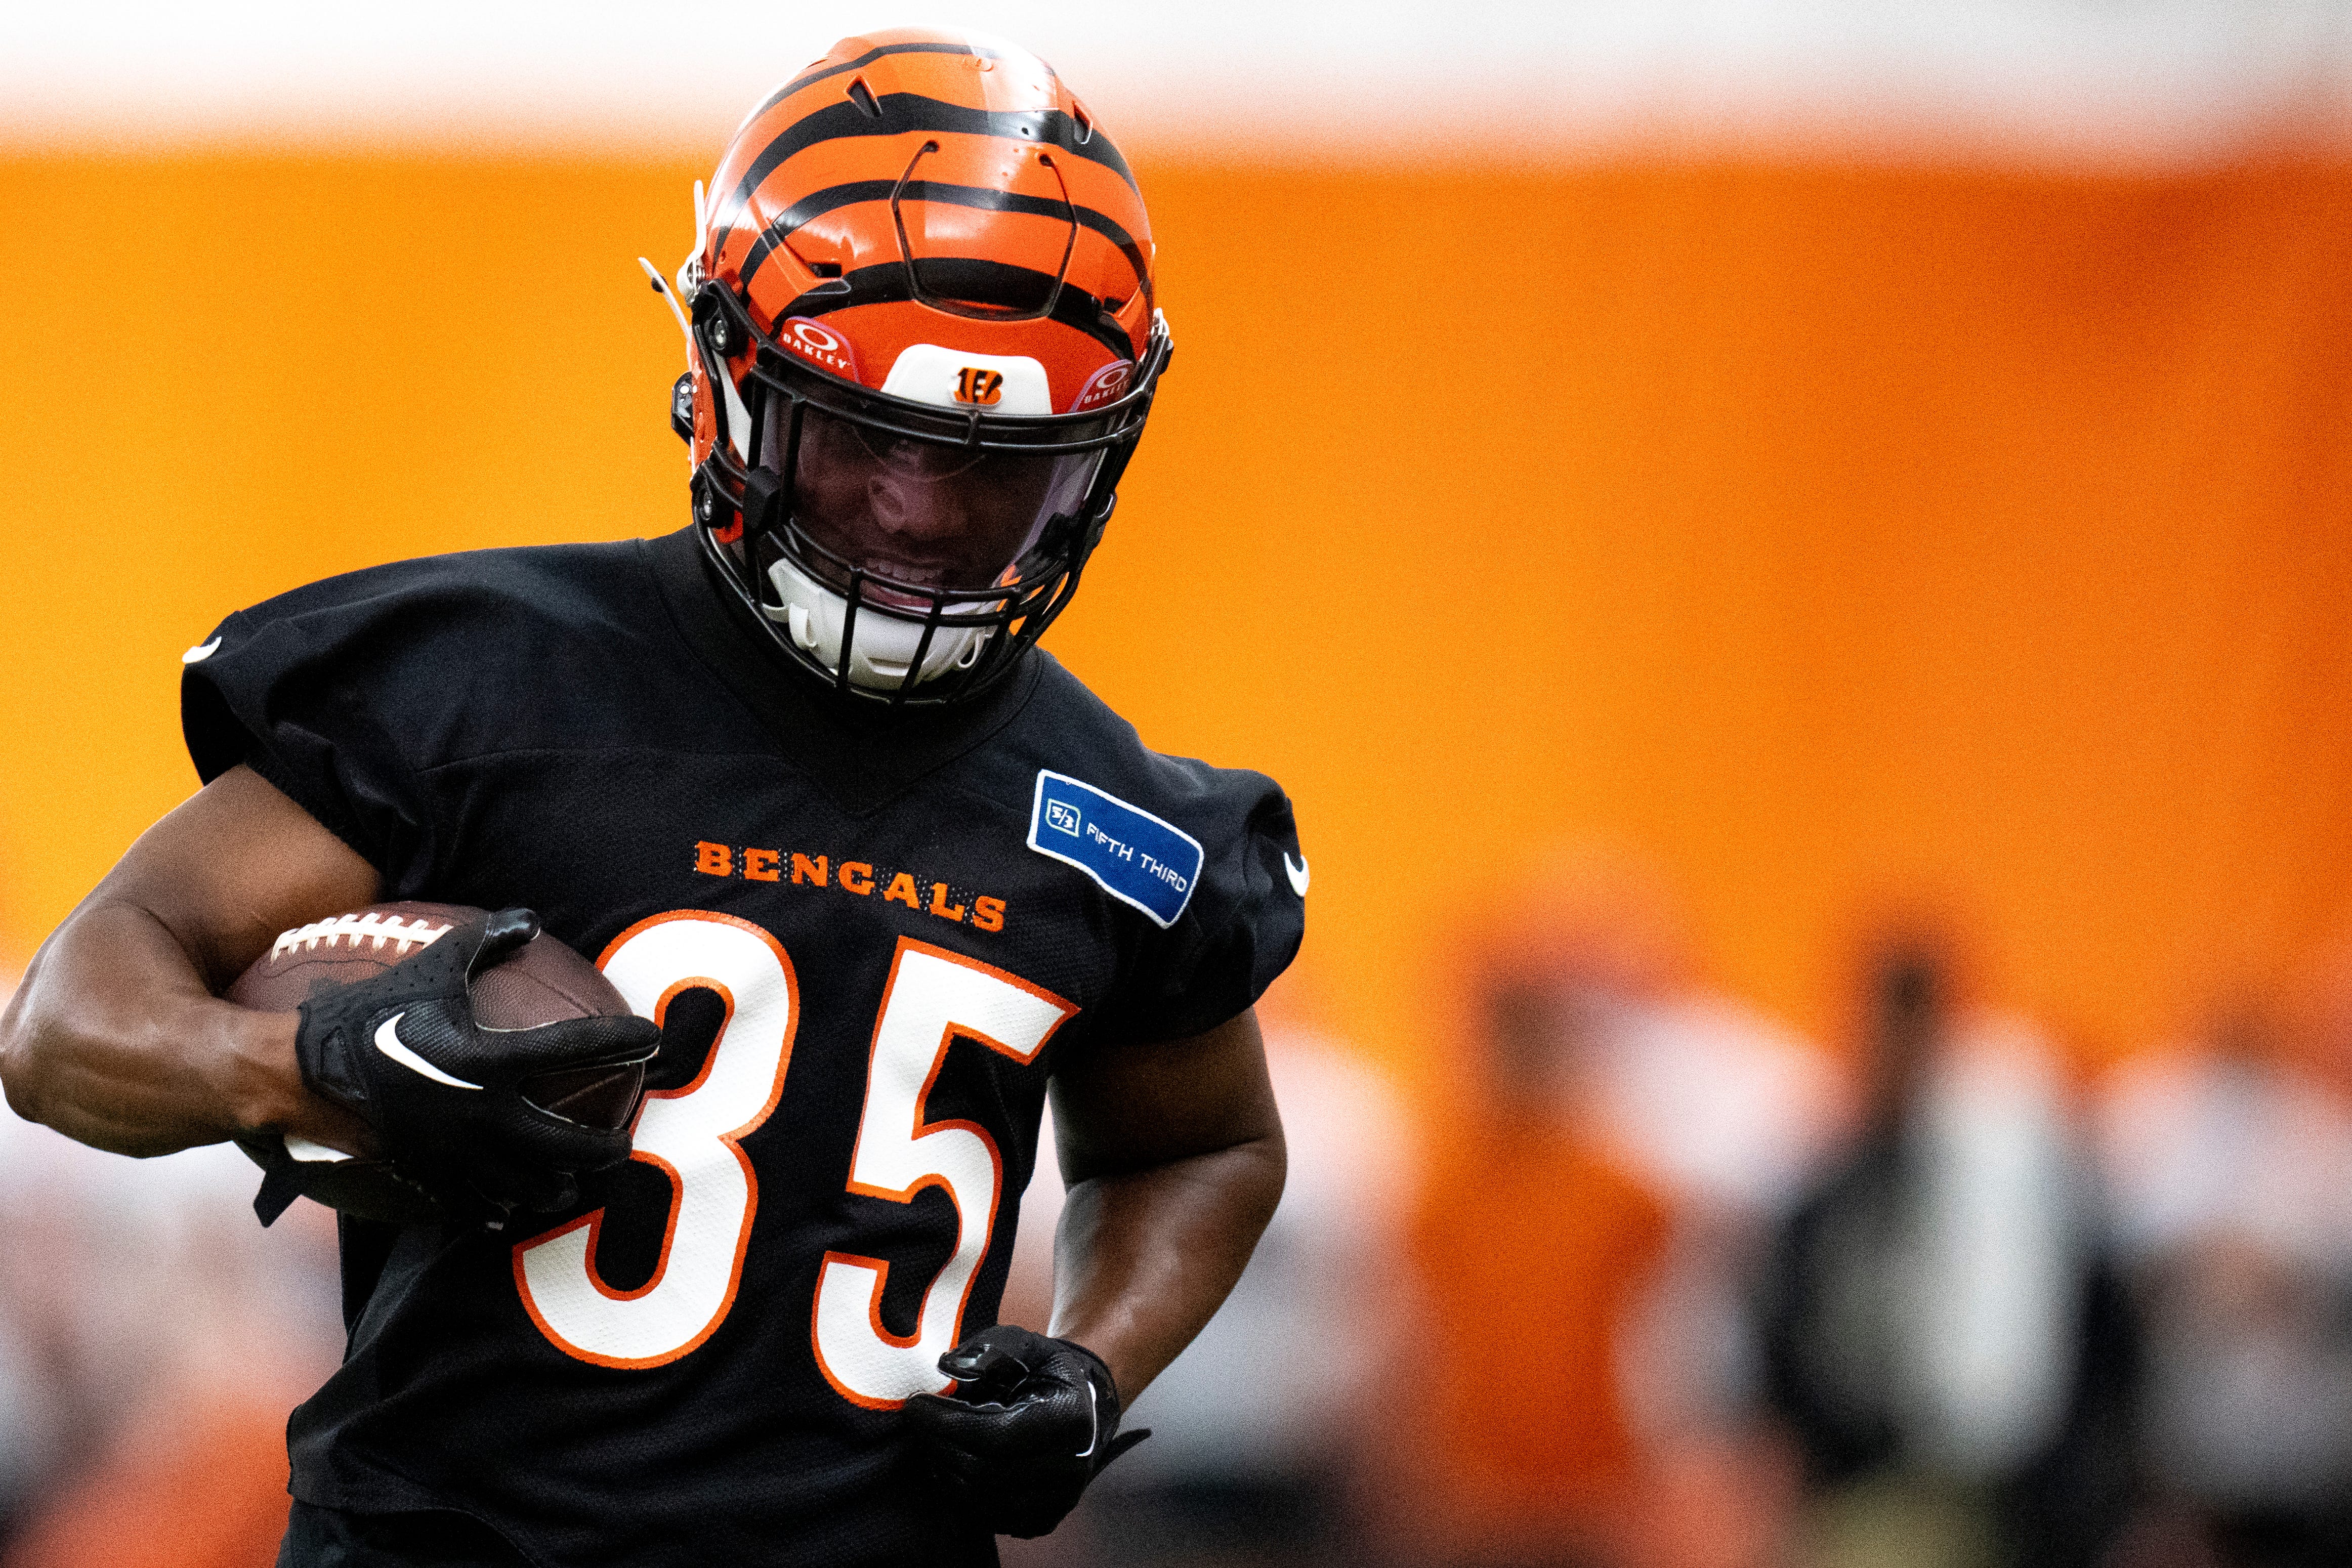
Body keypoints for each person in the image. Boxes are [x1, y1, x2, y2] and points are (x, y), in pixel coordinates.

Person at [0, 28, 1301, 1568]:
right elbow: (64, 1019)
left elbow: (1205, 1143)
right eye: (870, 438)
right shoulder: (480, 685)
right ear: (727, 380)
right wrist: (311, 1063)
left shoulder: (1112, 811)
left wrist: (1098, 1360)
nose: (919, 511)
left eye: (996, 467)